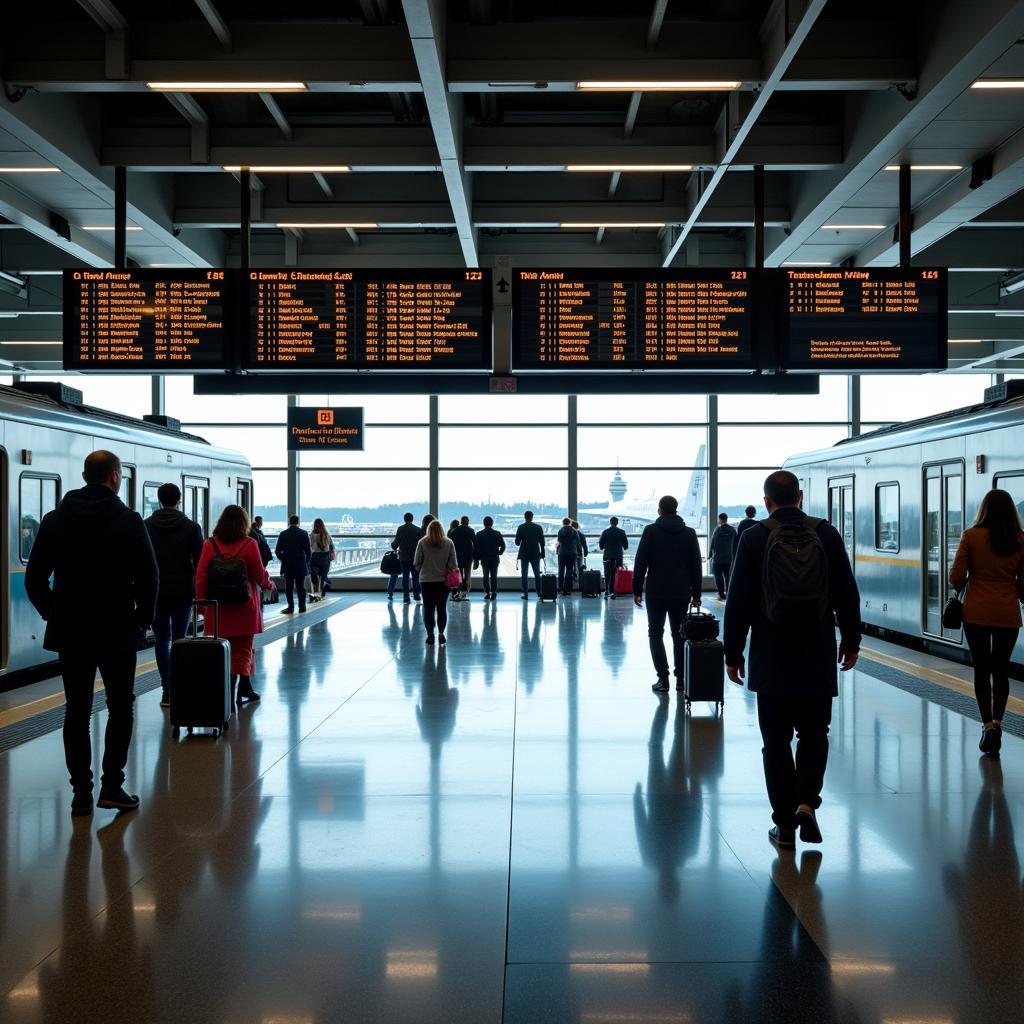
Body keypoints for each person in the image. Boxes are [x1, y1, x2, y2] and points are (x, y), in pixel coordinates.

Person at [723, 470, 860, 850]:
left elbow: (738, 602)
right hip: (816, 650)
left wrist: (733, 653)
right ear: (799, 497)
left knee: (776, 741)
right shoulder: (827, 534)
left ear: (767, 502)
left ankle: (783, 825)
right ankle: (806, 804)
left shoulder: (753, 537)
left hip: (771, 653)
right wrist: (851, 641)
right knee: (815, 733)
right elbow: (848, 593)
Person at [25, 451, 158, 815]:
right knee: (120, 707)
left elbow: (33, 580)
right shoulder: (129, 521)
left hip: (72, 632)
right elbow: (150, 578)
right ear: (115, 477)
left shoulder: (55, 520)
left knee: (77, 711)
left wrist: (56, 613)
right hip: (117, 629)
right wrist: (142, 620)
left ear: (85, 476)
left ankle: (81, 792)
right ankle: (112, 786)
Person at [949, 488, 1024, 757]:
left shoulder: (971, 536)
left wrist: (970, 579)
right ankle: (1000, 722)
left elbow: (955, 578)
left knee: (982, 670)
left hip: (976, 612)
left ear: (984, 510)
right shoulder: (1020, 540)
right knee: (1001, 670)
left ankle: (988, 726)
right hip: (1007, 613)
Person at [196, 504, 272, 706]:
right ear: (244, 523)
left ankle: (235, 691)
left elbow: (201, 577)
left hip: (217, 608)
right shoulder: (249, 544)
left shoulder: (209, 545)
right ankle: (236, 692)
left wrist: (203, 606)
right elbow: (258, 574)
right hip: (244, 608)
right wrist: (269, 584)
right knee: (243, 650)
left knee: (221, 652)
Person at [632, 495, 703, 694]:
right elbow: (696, 566)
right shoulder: (689, 533)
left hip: (656, 591)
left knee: (655, 634)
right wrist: (696, 593)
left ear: (659, 510)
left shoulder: (651, 531)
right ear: (676, 509)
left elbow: (640, 563)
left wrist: (637, 590)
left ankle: (663, 679)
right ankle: (681, 679)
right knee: (679, 634)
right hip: (681, 592)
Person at [144, 482, 204, 707]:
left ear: (159, 500)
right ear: (179, 500)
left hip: (155, 592)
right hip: (182, 591)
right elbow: (200, 563)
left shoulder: (146, 526)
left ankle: (167, 689)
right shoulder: (191, 527)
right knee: (180, 639)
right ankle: (179, 686)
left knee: (161, 639)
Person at [414, 519, 459, 645]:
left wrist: (424, 569)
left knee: (428, 608)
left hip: (426, 580)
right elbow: (454, 564)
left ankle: (429, 634)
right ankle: (441, 633)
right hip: (443, 581)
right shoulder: (449, 543)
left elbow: (417, 563)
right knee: (441, 608)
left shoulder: (422, 542)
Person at [275, 514, 311, 613]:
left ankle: (290, 607)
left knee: (289, 587)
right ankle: (302, 606)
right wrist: (305, 561)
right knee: (300, 587)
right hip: (300, 564)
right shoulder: (304, 533)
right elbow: (308, 551)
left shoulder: (283, 534)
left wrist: (284, 559)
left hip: (288, 565)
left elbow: (277, 551)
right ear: (298, 522)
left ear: (289, 522)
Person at [390, 512, 424, 604]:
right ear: (412, 519)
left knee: (405, 577)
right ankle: (416, 595)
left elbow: (396, 543)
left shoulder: (400, 529)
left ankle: (406, 596)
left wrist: (392, 546)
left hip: (404, 557)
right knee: (415, 577)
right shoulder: (418, 529)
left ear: (404, 519)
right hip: (415, 557)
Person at [515, 510, 546, 600]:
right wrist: (542, 553)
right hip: (535, 553)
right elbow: (542, 542)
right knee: (537, 573)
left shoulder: (521, 527)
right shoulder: (538, 527)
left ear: (525, 517)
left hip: (524, 553)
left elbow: (517, 543)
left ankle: (526, 594)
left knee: (524, 574)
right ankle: (539, 593)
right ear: (532, 517)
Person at [475, 515, 506, 600]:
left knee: (485, 577)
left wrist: (477, 559)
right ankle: (494, 593)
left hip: (484, 558)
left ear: (484, 523)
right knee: (494, 576)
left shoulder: (479, 534)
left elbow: (476, 548)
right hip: (494, 558)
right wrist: (499, 552)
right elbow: (503, 546)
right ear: (492, 523)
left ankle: (487, 593)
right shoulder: (497, 533)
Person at [709, 512, 738, 600]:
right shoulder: (733, 530)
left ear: (720, 519)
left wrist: (710, 554)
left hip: (717, 557)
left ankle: (721, 593)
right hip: (728, 557)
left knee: (718, 576)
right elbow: (736, 542)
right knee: (727, 576)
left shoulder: (717, 530)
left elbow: (712, 542)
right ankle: (729, 593)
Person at [599, 516, 629, 599]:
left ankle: (606, 591)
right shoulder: (622, 532)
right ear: (617, 523)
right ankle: (612, 591)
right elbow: (626, 546)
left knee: (607, 573)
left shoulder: (605, 532)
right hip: (617, 556)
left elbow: (601, 545)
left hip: (607, 555)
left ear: (610, 522)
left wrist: (605, 547)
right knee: (614, 573)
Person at [451, 515, 477, 601]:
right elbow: (475, 543)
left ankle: (458, 591)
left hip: (458, 556)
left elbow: (451, 544)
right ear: (468, 522)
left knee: (459, 575)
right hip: (468, 556)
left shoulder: (455, 531)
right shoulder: (471, 531)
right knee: (467, 575)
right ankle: (464, 592)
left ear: (461, 521)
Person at [308, 518, 335, 601]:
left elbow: (309, 547)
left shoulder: (311, 535)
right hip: (325, 557)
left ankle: (316, 594)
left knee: (314, 577)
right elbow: (332, 547)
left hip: (314, 557)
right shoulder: (327, 535)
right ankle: (325, 587)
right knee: (323, 577)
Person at [556, 517, 579, 596]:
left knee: (561, 571)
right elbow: (578, 543)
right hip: (572, 553)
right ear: (569, 523)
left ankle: (560, 589)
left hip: (562, 553)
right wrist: (578, 552)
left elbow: (559, 542)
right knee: (569, 571)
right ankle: (566, 589)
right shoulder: (574, 531)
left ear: (563, 523)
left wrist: (557, 550)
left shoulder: (560, 531)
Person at [573, 520, 588, 589]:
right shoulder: (581, 534)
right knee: (579, 568)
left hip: (571, 553)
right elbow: (584, 544)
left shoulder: (570, 533)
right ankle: (580, 584)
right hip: (579, 553)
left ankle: (573, 582)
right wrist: (585, 552)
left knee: (572, 568)